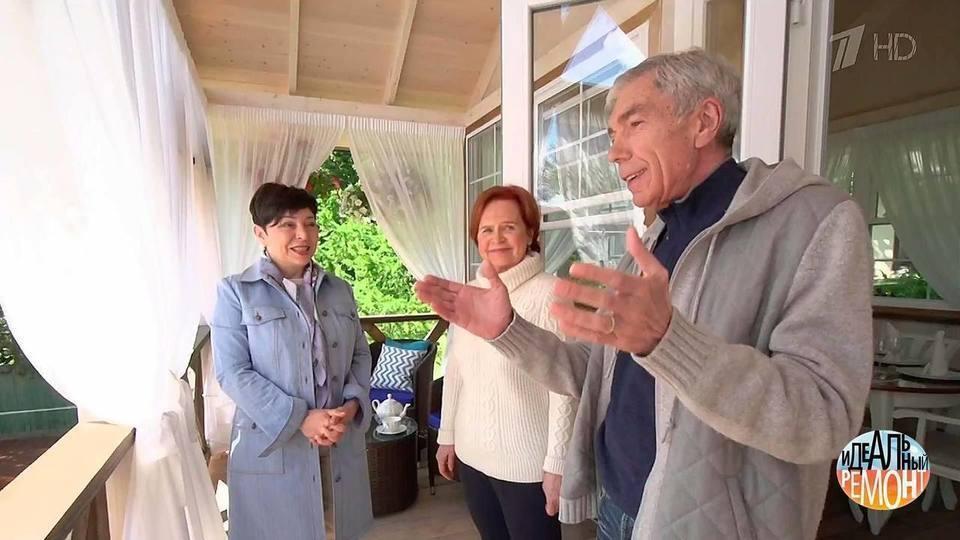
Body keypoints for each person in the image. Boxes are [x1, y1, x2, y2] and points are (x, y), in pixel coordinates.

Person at [416, 48, 873, 540]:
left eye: (633, 124)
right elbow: (593, 376)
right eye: (612, 136)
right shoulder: (653, 241)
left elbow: (824, 417)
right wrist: (509, 332)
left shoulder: (815, 222)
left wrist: (669, 341)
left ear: (704, 121)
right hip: (617, 509)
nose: (614, 152)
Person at [212, 183, 373, 540]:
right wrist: (301, 418)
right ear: (260, 233)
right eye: (287, 224)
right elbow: (233, 372)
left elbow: (360, 354)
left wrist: (350, 406)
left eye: (310, 223)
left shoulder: (339, 290)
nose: (303, 234)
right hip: (275, 449)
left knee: (338, 530)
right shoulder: (235, 293)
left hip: (338, 443)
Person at [437, 186, 577, 539]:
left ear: (530, 233)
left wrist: (557, 462)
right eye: (487, 229)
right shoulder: (469, 293)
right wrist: (447, 435)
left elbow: (565, 388)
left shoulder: (553, 294)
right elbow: (455, 369)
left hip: (527, 467)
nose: (496, 238)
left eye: (509, 227)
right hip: (472, 458)